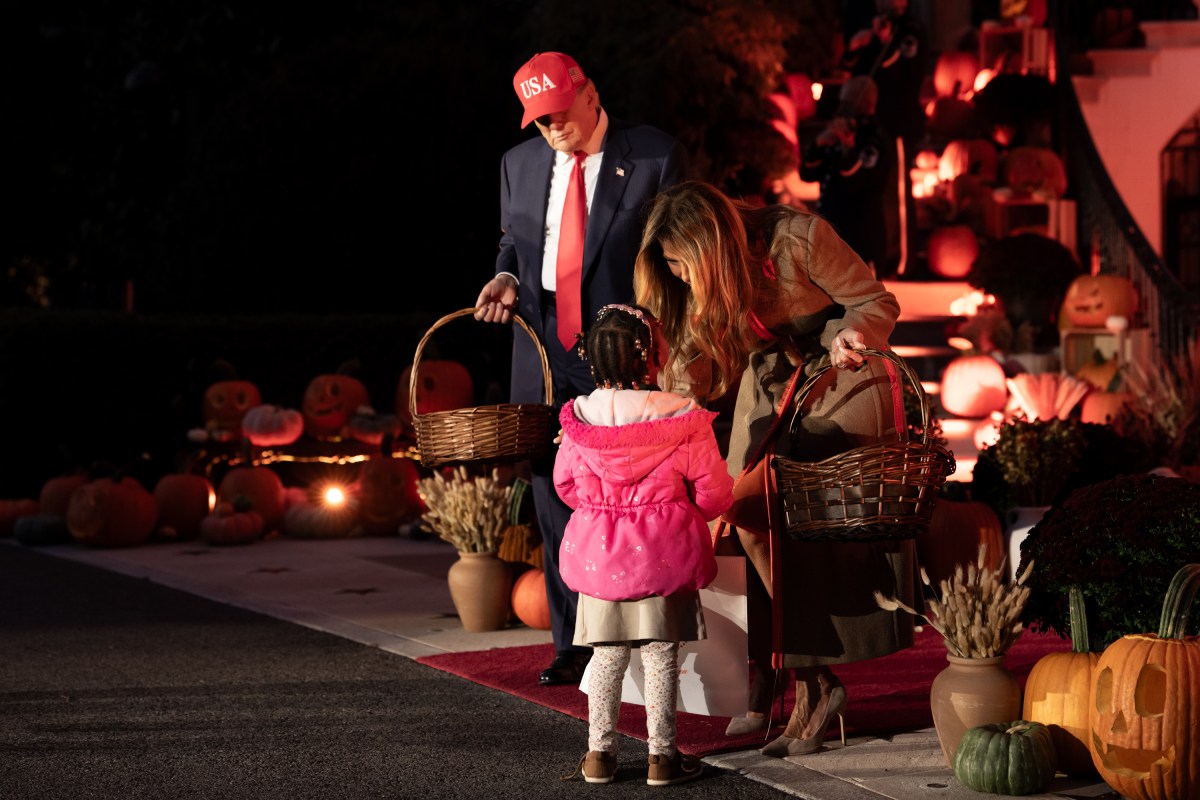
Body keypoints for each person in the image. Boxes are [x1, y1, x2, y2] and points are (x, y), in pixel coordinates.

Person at [632, 180, 920, 758]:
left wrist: (848, 336)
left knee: (806, 521)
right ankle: (768, 673)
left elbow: (876, 301)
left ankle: (814, 683)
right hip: (770, 376)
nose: (681, 279)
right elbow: (690, 361)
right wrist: (655, 418)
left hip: (842, 370)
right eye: (670, 267)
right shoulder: (693, 282)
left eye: (684, 266)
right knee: (738, 513)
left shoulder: (800, 240)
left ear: (712, 247)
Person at [474, 52, 687, 687]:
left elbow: (679, 252)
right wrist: (506, 276)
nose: (554, 130)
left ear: (590, 93)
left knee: (631, 491)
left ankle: (638, 635)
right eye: (541, 122)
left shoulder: (652, 156)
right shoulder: (519, 164)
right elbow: (513, 242)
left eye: (562, 114)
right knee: (553, 491)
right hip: (543, 351)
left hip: (624, 349)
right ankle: (573, 644)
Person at [554, 304, 733, 786]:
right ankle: (662, 758)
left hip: (600, 557)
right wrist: (692, 514)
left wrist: (599, 510)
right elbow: (715, 493)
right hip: (665, 552)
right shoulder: (684, 420)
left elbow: (565, 487)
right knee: (660, 658)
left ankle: (599, 757)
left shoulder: (579, 421)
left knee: (606, 655)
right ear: (653, 356)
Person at [799, 75, 895, 274]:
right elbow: (807, 174)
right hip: (832, 228)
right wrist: (819, 145)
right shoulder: (839, 130)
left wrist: (847, 150)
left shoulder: (873, 140)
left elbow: (858, 183)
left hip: (861, 233)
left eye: (851, 105)